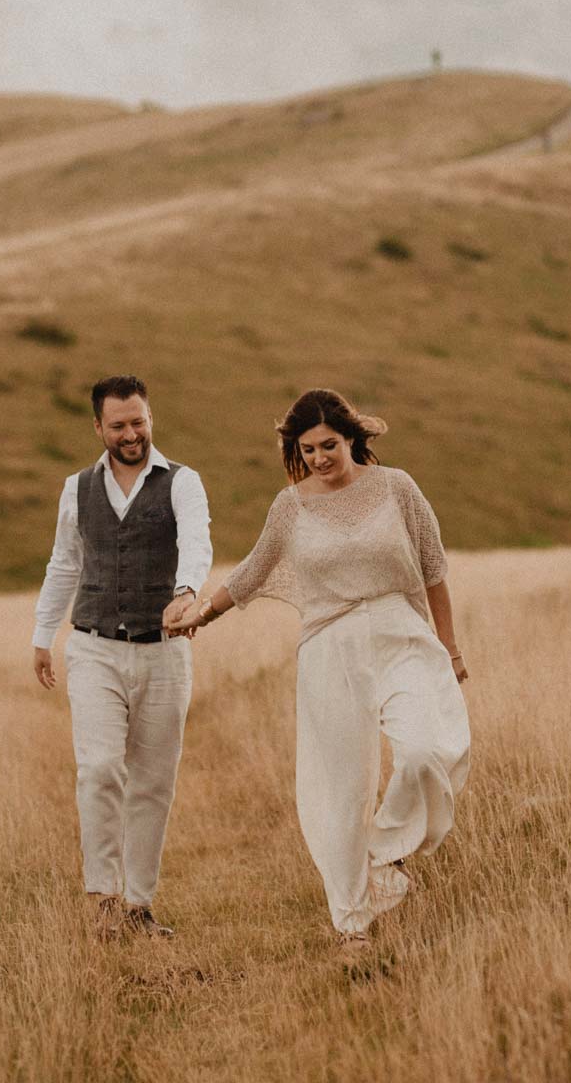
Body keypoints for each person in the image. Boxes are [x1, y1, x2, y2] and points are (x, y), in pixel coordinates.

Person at [173, 389, 469, 952]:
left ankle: (386, 854)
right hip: (330, 647)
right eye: (307, 449)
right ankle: (353, 924)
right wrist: (203, 614)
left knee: (427, 749)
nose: (318, 458)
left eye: (328, 445)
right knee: (338, 788)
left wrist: (450, 651)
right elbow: (255, 570)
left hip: (400, 633)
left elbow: (434, 570)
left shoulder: (397, 488)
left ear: (352, 438)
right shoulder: (291, 506)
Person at [31, 375, 211, 938]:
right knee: (101, 768)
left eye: (139, 422)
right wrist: (43, 635)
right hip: (94, 647)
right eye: (119, 425)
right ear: (98, 428)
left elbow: (197, 540)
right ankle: (102, 900)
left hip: (163, 654)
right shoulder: (76, 488)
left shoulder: (183, 481)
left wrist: (186, 593)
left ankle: (138, 907)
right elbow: (64, 563)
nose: (132, 434)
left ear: (150, 418)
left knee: (154, 780)